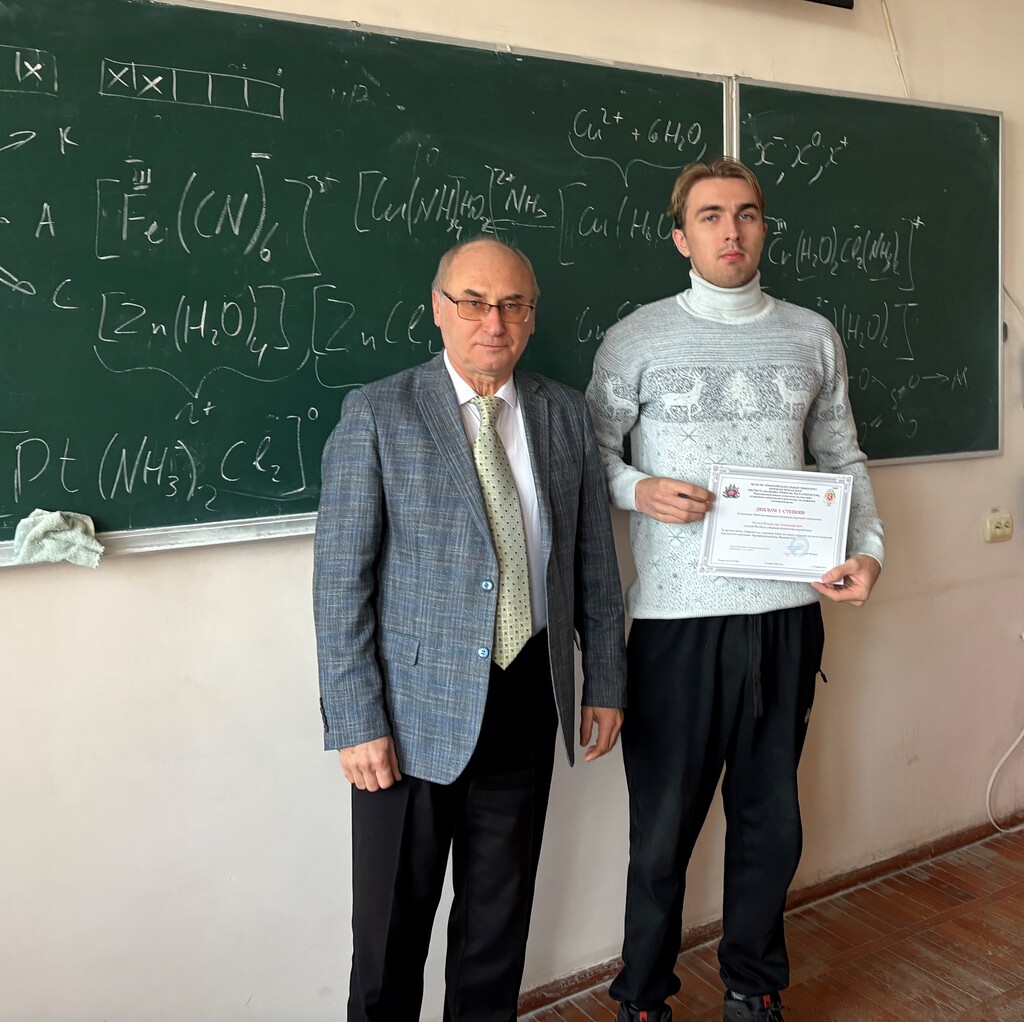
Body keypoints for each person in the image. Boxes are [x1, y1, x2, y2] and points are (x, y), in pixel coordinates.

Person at [585, 157, 884, 1022]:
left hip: (786, 617)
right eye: (711, 215)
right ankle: (644, 997)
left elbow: (842, 457)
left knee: (769, 825)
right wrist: (636, 489)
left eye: (747, 214)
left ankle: (754, 987)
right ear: (681, 236)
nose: (731, 230)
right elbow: (588, 455)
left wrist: (867, 551)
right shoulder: (635, 339)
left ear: (763, 228)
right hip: (677, 623)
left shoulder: (812, 336)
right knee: (662, 832)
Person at [314, 237, 627, 1022]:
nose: (495, 322)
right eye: (475, 302)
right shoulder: (378, 413)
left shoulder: (562, 413)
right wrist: (356, 720)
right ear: (438, 309)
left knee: (496, 934)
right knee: (388, 942)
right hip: (408, 722)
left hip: (527, 700)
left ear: (532, 316)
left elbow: (593, 561)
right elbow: (341, 583)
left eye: (514, 305)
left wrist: (606, 679)